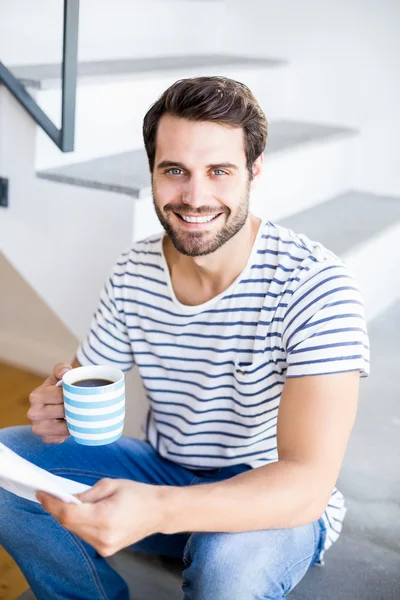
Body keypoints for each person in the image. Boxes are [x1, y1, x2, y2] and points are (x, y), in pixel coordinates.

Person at [0, 76, 369, 600]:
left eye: (219, 171)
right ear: (152, 171)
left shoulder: (316, 286)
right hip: (166, 469)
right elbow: (83, 379)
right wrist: (54, 405)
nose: (195, 197)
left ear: (254, 171)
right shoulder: (134, 269)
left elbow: (306, 483)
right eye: (175, 171)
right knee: (7, 467)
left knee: (229, 569)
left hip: (265, 496)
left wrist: (157, 509)